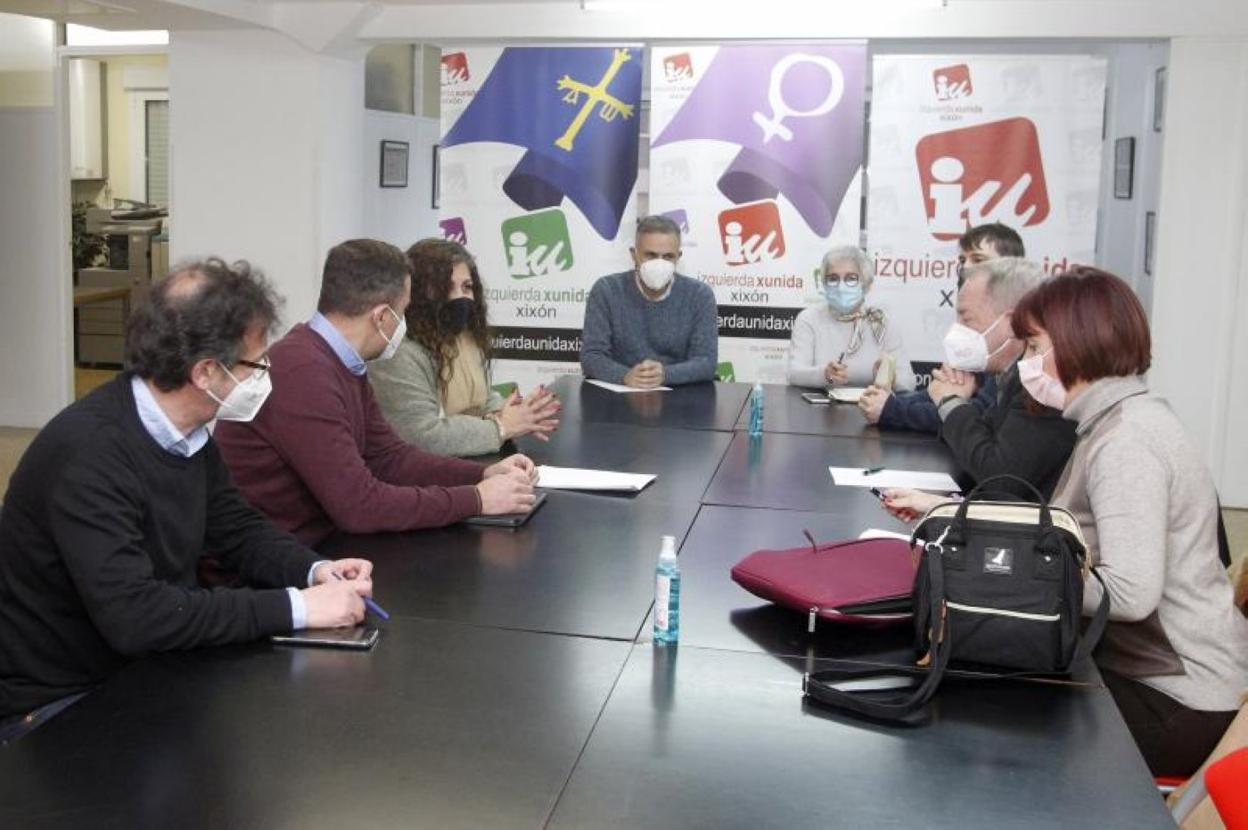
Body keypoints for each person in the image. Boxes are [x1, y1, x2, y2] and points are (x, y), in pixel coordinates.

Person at [882, 268, 1248, 777]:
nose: (1025, 364)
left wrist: (1009, 575)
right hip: (1146, 674)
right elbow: (1061, 534)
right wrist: (953, 514)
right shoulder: (1115, 420)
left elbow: (1132, 593)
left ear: (1077, 344)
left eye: (1034, 348)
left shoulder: (1126, 443)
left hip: (1173, 697)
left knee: (978, 714)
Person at [0, 259, 374, 741]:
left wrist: (315, 571)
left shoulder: (187, 434)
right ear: (206, 372)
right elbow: (137, 617)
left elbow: (237, 529)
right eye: (257, 365)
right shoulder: (88, 453)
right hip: (60, 703)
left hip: (145, 669)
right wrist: (298, 608)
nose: (265, 377)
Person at [215, 239, 536, 547]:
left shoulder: (343, 362)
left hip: (319, 548)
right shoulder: (303, 372)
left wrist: (483, 474)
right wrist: (476, 499)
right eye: (403, 312)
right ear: (382, 317)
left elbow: (390, 458)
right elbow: (358, 505)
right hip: (275, 564)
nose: (405, 325)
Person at [370, 238, 560, 457]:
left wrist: (516, 413)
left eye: (467, 287)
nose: (459, 297)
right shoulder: (397, 352)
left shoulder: (465, 338)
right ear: (416, 291)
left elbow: (481, 398)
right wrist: (500, 427)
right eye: (446, 287)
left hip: (467, 462)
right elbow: (422, 436)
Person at [860, 222, 1025, 431]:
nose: (966, 268)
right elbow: (940, 394)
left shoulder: (1020, 342)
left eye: (978, 260)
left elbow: (978, 414)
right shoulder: (976, 338)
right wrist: (889, 401)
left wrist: (892, 410)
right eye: (963, 260)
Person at [580, 214, 718, 388]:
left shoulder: (699, 295)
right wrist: (625, 376)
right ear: (634, 255)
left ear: (678, 257)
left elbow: (706, 362)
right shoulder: (607, 290)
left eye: (668, 256)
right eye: (651, 255)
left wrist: (665, 374)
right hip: (620, 394)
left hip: (681, 395)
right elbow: (591, 357)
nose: (659, 264)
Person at [786, 245, 915, 391]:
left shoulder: (880, 322)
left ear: (866, 284)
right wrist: (825, 375)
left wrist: (890, 379)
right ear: (824, 284)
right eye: (833, 278)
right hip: (820, 403)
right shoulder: (809, 319)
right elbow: (794, 373)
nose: (841, 287)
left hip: (870, 403)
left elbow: (909, 382)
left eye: (851, 278)